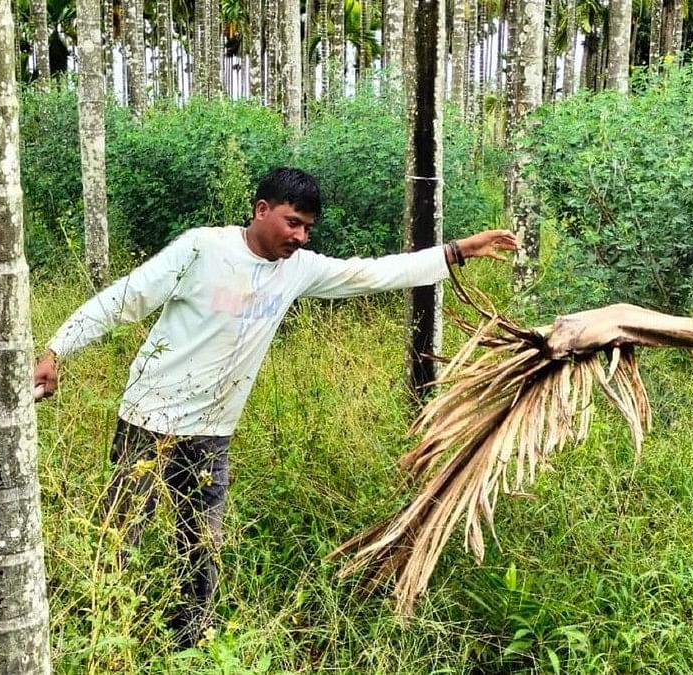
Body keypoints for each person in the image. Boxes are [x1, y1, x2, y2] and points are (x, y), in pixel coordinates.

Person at [33, 167, 517, 646]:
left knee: (201, 543)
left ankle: (192, 640)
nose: (301, 236)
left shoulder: (297, 270)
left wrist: (458, 251)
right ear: (261, 210)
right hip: (149, 417)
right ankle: (100, 625)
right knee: (121, 534)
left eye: (308, 228)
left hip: (211, 431)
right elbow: (127, 298)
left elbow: (373, 274)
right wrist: (57, 349)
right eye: (292, 222)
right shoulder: (203, 249)